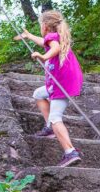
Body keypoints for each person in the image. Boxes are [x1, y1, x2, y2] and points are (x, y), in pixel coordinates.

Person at [14, 10, 84, 167]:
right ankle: (49, 128)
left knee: (55, 118)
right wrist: (29, 36)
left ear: (45, 26)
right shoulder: (53, 37)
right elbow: (45, 42)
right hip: (63, 82)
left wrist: (43, 57)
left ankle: (70, 152)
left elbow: (55, 48)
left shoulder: (54, 40)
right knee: (38, 94)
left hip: (62, 84)